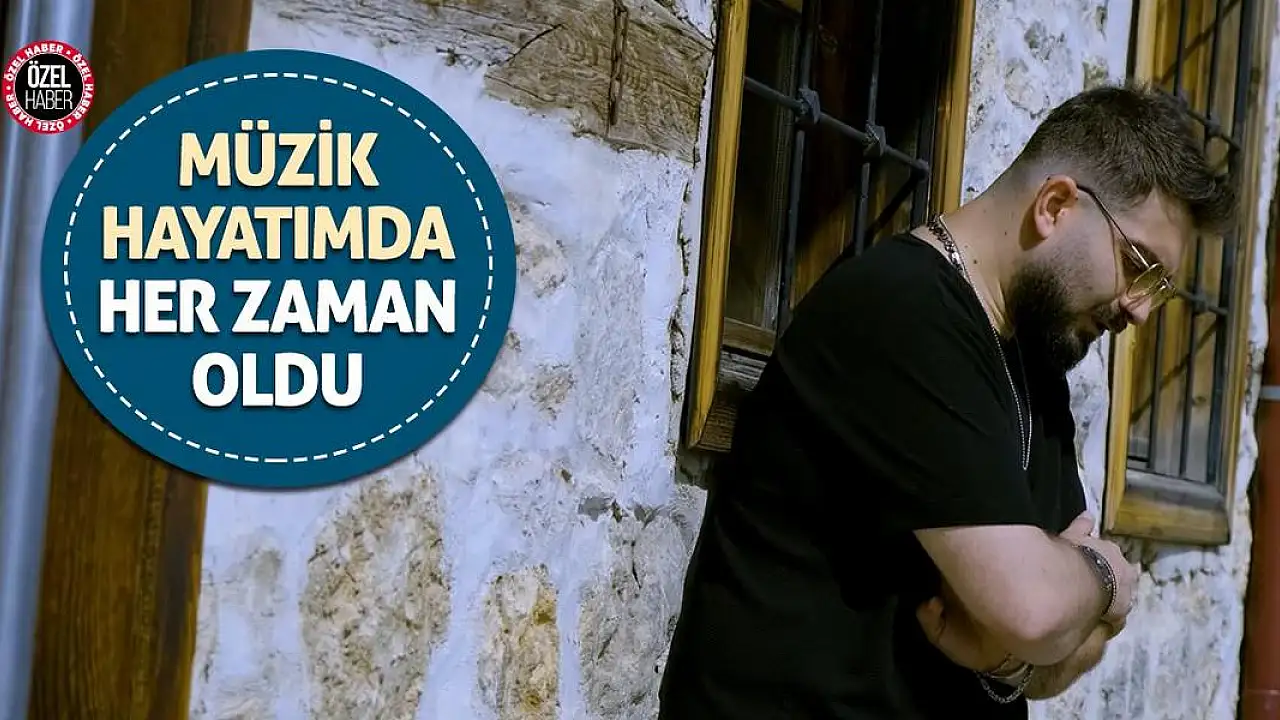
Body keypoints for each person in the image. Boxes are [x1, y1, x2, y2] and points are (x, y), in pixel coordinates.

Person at [658, 82, 1238, 719]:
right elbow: (1036, 609)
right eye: (1139, 266)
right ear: (1055, 204)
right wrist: (1105, 578)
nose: (1140, 309)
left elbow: (1065, 643)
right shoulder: (902, 308)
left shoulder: (1035, 360)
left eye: (1159, 289)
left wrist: (1010, 657)